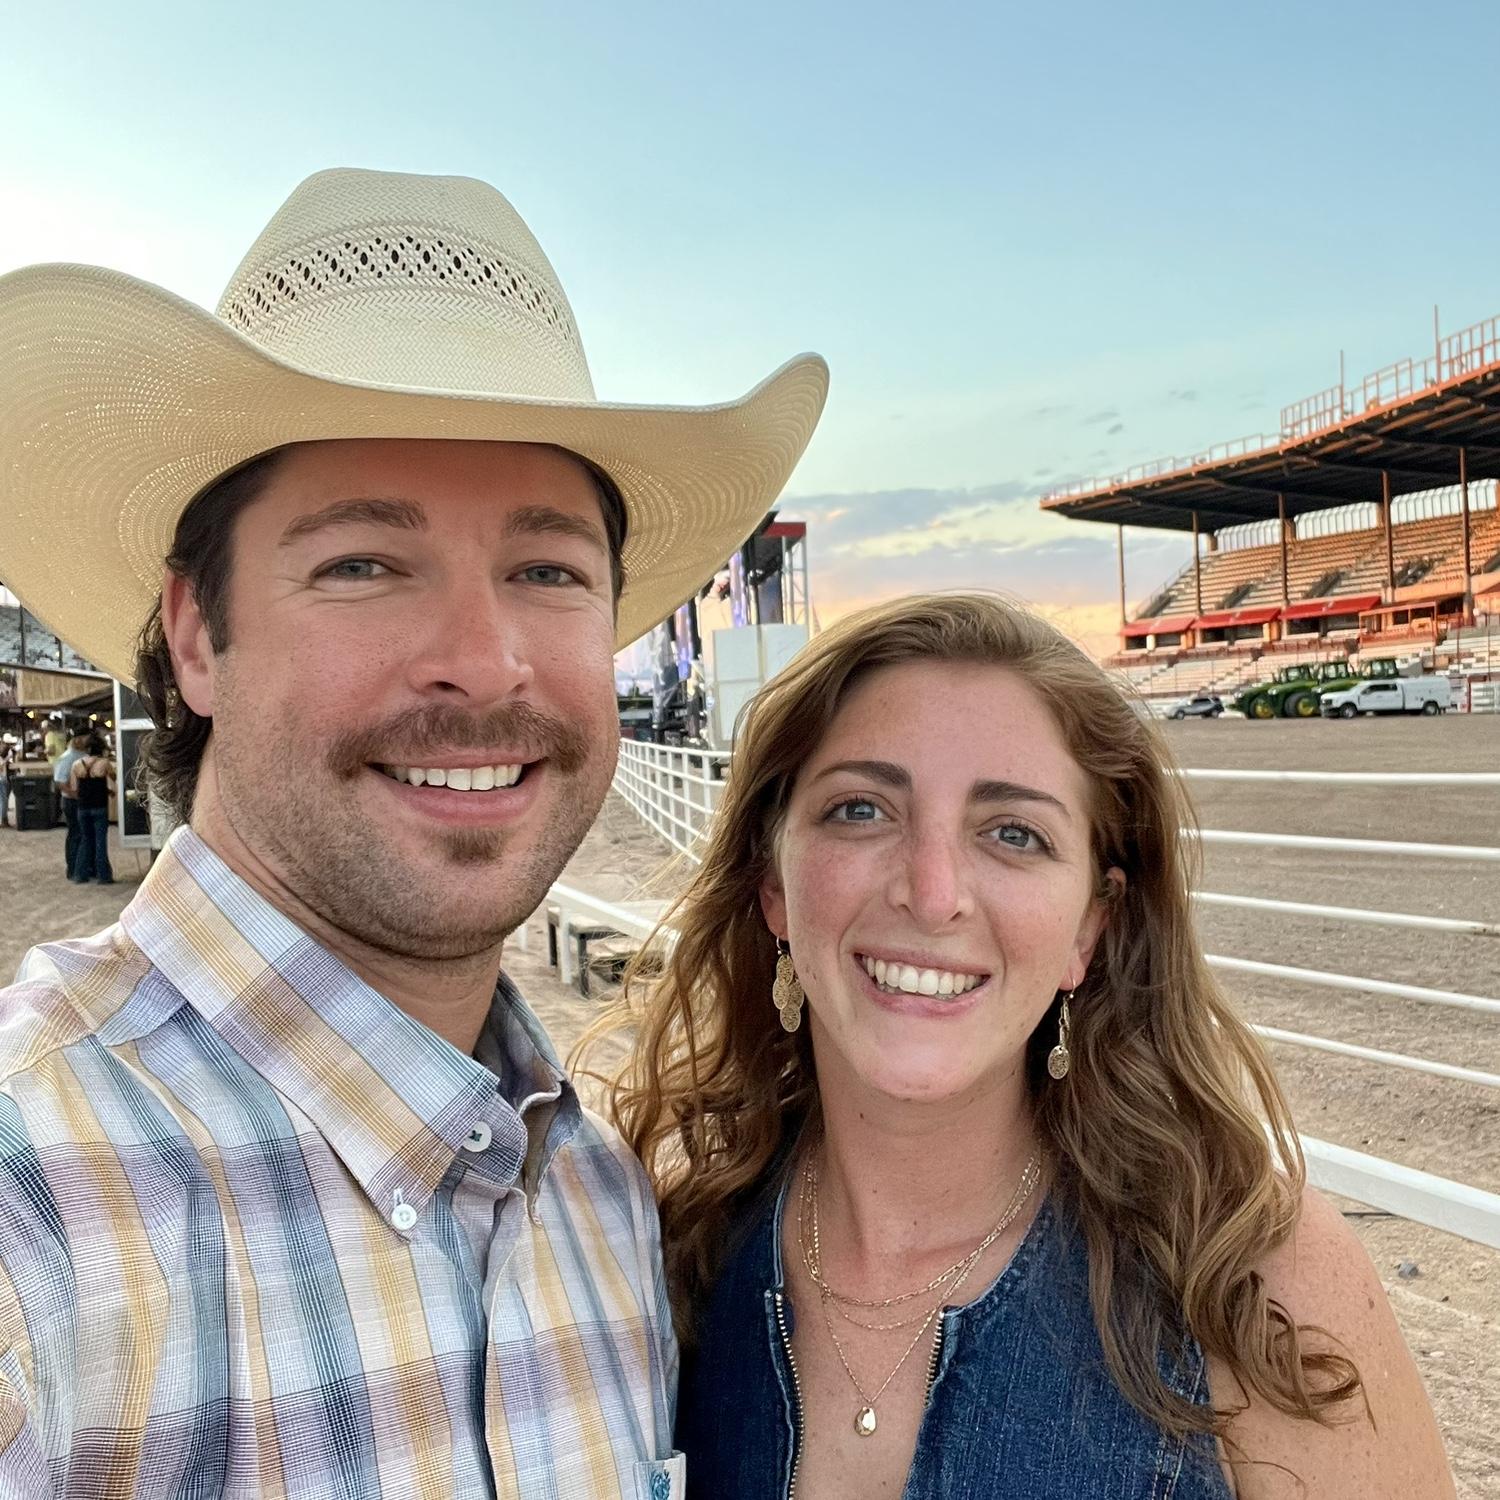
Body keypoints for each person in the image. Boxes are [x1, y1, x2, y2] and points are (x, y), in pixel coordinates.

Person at [0, 167, 826, 1497]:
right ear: (197, 636)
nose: (484, 661)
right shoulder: (34, 1207)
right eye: (363, 565)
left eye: (547, 570)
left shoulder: (598, 1198)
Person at [605, 593, 1455, 1500]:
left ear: (1091, 925)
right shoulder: (668, 1256)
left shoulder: (1254, 1282)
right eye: (860, 810)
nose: (933, 895)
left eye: (1014, 834)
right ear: (773, 881)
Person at [65, 731, 115, 883]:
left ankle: (80, 874)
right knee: (100, 841)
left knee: (85, 840)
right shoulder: (104, 763)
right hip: (100, 806)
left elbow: (75, 787)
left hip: (83, 807)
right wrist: (107, 789)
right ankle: (103, 876)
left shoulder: (76, 765)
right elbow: (114, 777)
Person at [52, 729, 89, 871]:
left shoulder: (84, 755)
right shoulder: (67, 758)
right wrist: (75, 795)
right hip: (72, 802)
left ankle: (82, 866)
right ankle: (73, 867)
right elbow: (60, 782)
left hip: (82, 800)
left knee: (83, 834)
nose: (87, 742)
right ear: (77, 739)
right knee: (75, 833)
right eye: (85, 739)